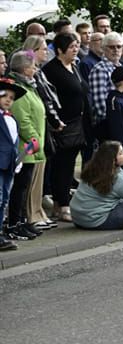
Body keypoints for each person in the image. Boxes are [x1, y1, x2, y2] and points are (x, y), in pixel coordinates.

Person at [42, 33, 87, 220]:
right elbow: (49, 98)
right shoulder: (51, 70)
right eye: (71, 47)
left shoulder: (74, 66)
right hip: (62, 126)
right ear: (60, 50)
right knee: (61, 166)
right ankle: (61, 205)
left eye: (77, 46)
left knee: (69, 167)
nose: (76, 49)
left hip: (78, 124)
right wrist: (56, 121)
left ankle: (63, 202)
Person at [8, 52, 49, 236]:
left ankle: (23, 221)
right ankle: (14, 223)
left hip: (32, 147)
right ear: (25, 69)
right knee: (19, 188)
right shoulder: (19, 89)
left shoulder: (29, 87)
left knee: (24, 188)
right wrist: (34, 139)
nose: (36, 69)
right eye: (33, 67)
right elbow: (22, 119)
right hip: (25, 148)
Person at [0, 78, 29, 250]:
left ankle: (1, 234)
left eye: (11, 97)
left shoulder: (12, 118)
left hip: (9, 164)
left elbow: (14, 142)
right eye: (4, 95)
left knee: (4, 200)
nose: (8, 99)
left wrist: (19, 157)